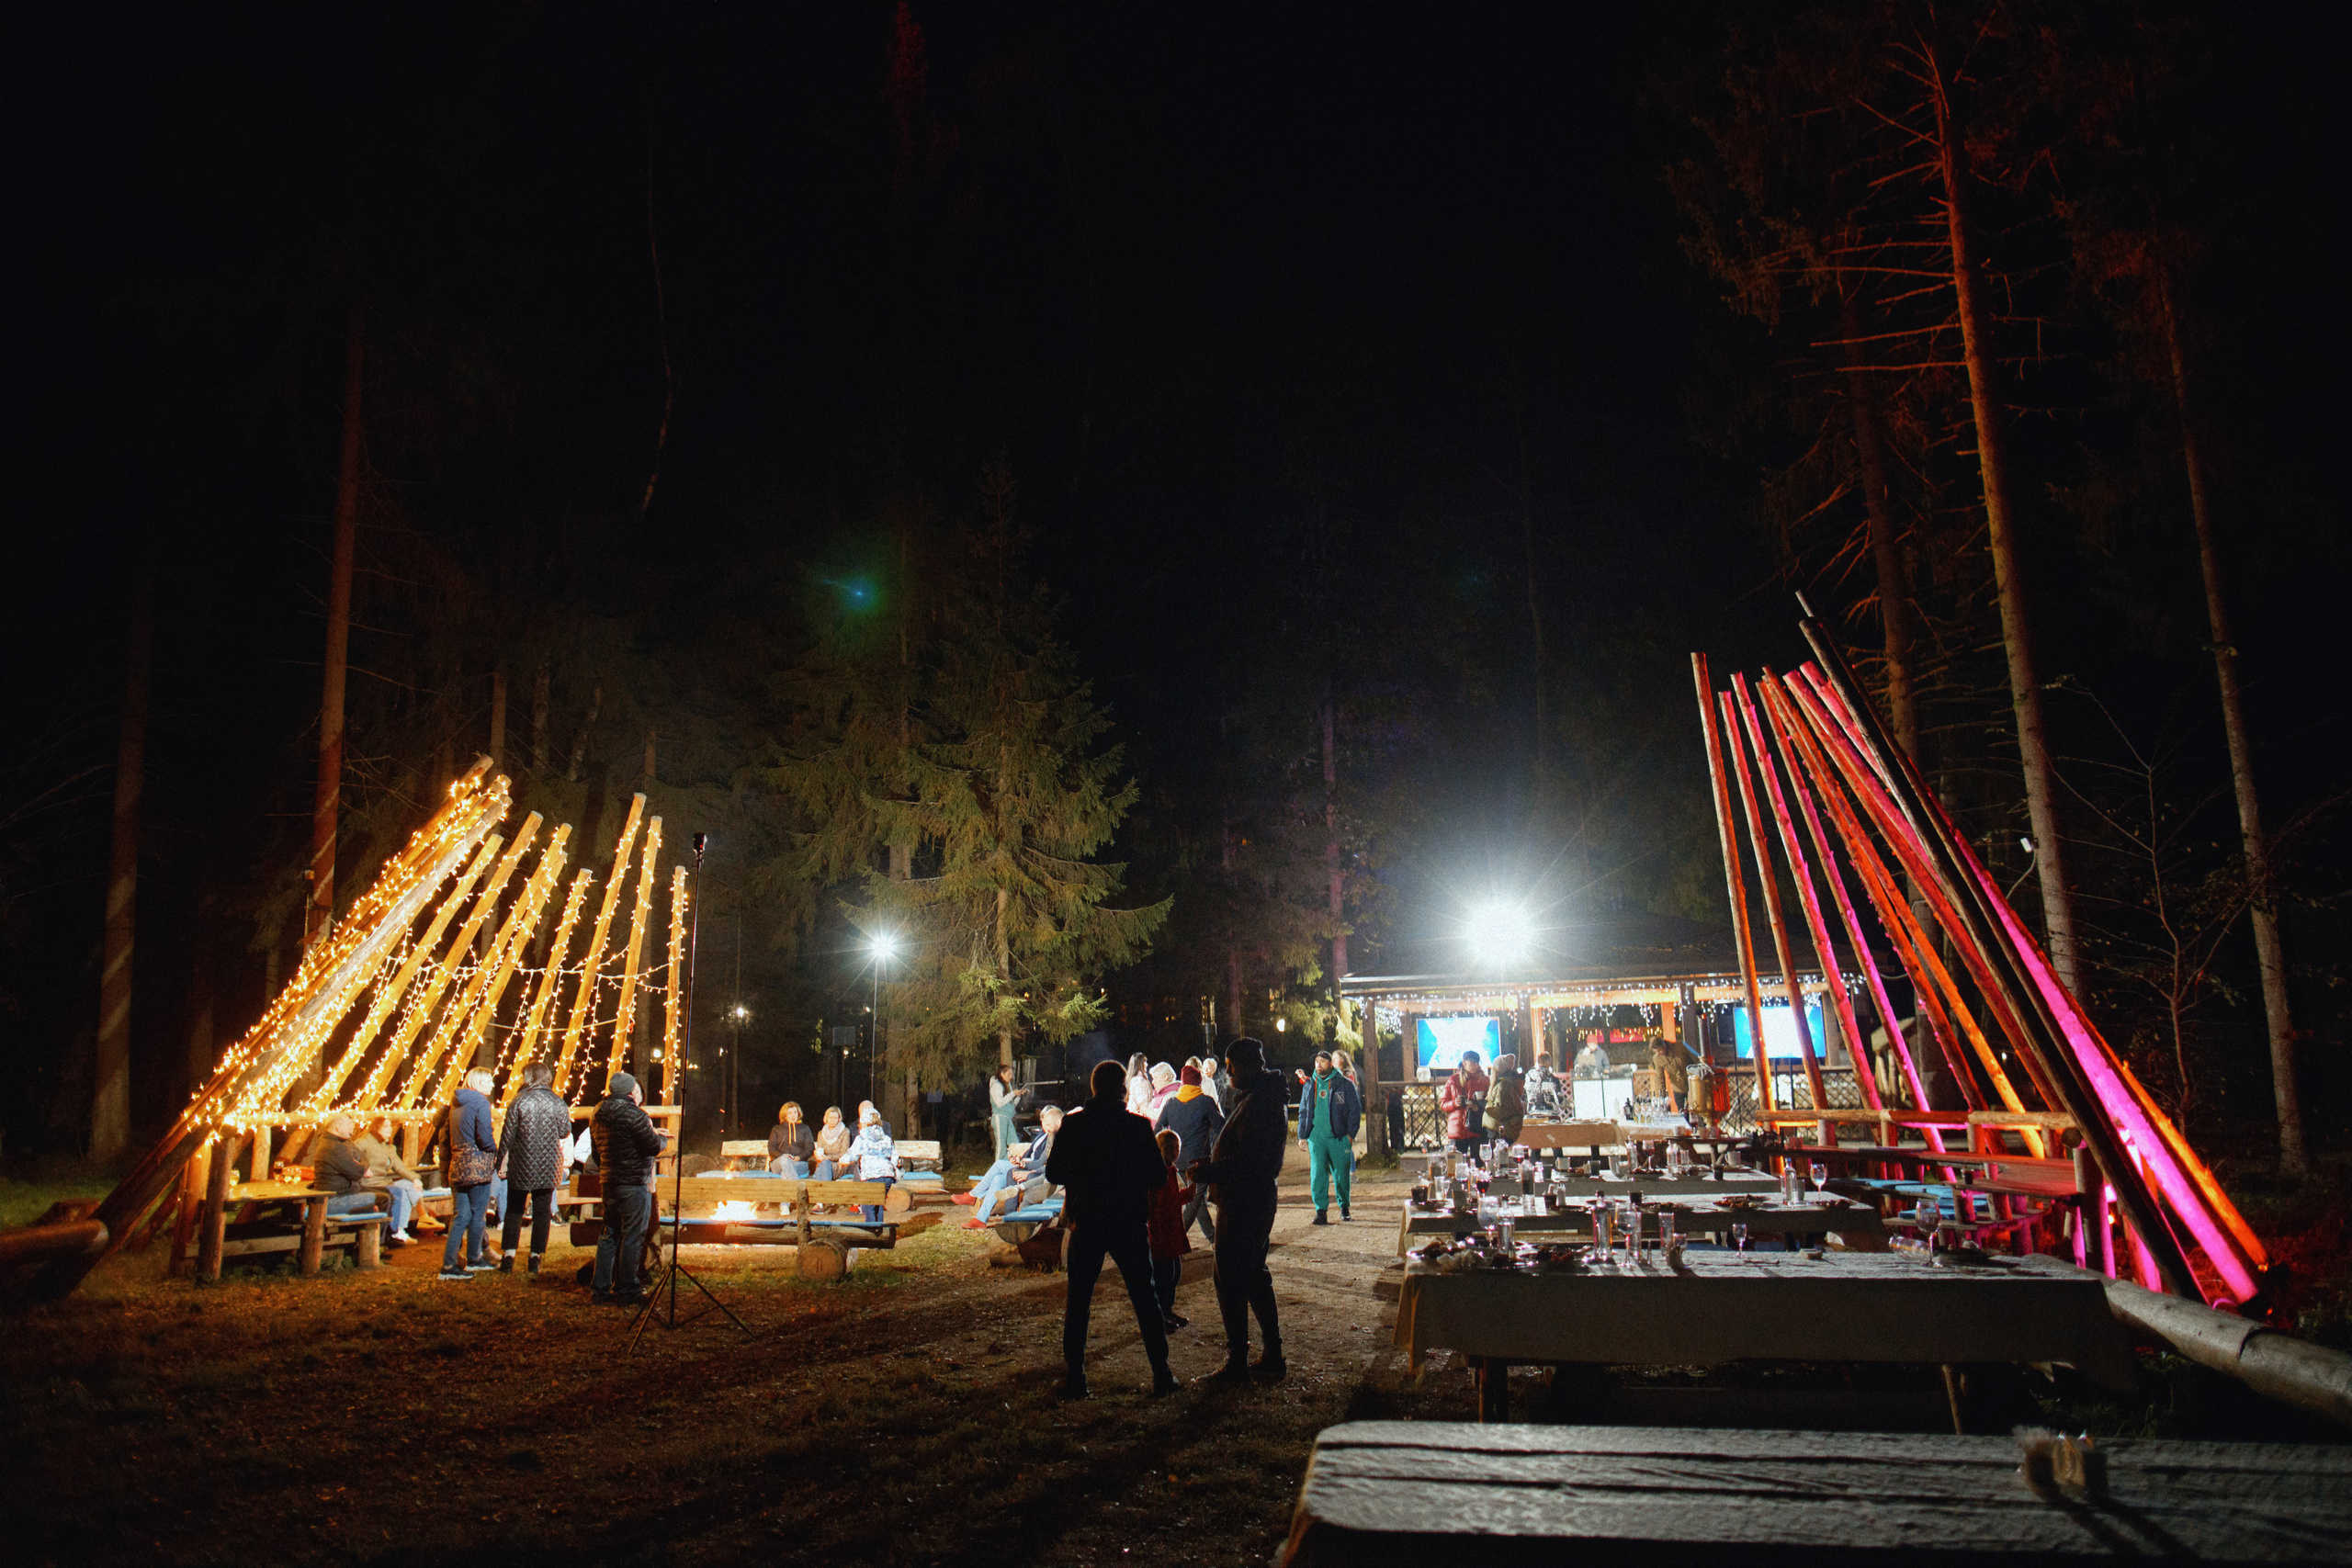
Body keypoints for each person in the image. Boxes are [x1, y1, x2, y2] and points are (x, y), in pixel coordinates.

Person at [1045, 1058, 1177, 1400]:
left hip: (1087, 1218)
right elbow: (1156, 1176)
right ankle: (1161, 1375)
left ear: (1092, 1089)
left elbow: (1054, 1172)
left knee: (1079, 1301)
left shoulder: (1074, 1126)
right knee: (1145, 1298)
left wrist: (1083, 1175)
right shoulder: (1136, 1126)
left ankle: (1076, 1378)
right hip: (1127, 1220)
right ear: (1122, 1089)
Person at [1192, 1036, 1286, 1383]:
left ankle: (1237, 1361)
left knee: (1230, 1277)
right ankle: (1272, 1354)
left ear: (1246, 1065)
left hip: (1246, 1200)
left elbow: (1250, 1161)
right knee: (1253, 1275)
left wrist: (1212, 1171)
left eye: (1231, 1068)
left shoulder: (1261, 1102)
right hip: (1249, 1198)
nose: (1228, 1075)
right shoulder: (1259, 1098)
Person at [591, 1070, 667, 1304]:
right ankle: (628, 1290)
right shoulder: (635, 1114)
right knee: (632, 1237)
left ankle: (600, 1290)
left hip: (609, 1182)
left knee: (609, 1234)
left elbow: (596, 1153)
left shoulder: (598, 1113)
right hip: (633, 1184)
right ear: (630, 1091)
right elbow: (653, 1146)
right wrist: (662, 1138)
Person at [497, 1062, 571, 1276]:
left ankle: (509, 1256)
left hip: (521, 1163)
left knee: (514, 1210)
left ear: (528, 1078)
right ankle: (535, 1257)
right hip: (548, 1164)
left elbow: (507, 1136)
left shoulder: (518, 1101)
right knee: (542, 1212)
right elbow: (565, 1132)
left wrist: (500, 1161)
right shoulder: (558, 1102)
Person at [439, 1069, 502, 1280]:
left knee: (460, 1216)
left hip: (458, 1164)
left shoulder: (455, 1104)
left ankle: (449, 1265)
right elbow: (484, 1134)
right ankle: (474, 1258)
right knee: (477, 1215)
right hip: (477, 1163)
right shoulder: (480, 1103)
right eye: (488, 1082)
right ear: (476, 1083)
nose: (492, 1086)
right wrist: (493, 1148)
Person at [1153, 1066, 1224, 1243]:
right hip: (1199, 1161)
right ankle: (1171, 1239)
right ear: (1198, 1082)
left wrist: (1166, 1149)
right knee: (1194, 1201)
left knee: (1197, 1201)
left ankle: (1212, 1237)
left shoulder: (1172, 1103)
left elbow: (1158, 1128)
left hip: (1178, 1161)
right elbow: (1221, 1129)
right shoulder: (1205, 1102)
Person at [958, 1105, 1061, 1227]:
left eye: (1047, 1123)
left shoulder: (1058, 1138)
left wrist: (1027, 1170)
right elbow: (1035, 1155)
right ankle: (982, 1219)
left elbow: (1047, 1165)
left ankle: (975, 1196)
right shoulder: (1047, 1135)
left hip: (1038, 1172)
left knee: (1000, 1166)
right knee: (997, 1179)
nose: (1045, 1126)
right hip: (1030, 1166)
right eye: (1043, 1121)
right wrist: (1020, 1161)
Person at [1296, 1049, 1363, 1224]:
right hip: (1316, 1138)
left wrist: (1350, 1135)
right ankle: (1321, 1211)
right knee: (1318, 1174)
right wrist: (1302, 1135)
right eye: (1316, 1061)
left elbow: (1355, 1111)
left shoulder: (1345, 1084)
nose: (1318, 1064)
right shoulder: (1310, 1085)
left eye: (1322, 1061)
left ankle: (1344, 1207)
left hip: (1338, 1138)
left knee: (1341, 1175)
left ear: (1330, 1064)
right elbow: (1303, 1111)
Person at [310, 1114, 398, 1239]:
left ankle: (384, 1239)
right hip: (336, 1198)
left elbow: (363, 1159)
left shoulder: (343, 1142)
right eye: (349, 1124)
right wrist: (361, 1167)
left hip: (348, 1192)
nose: (353, 1127)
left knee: (387, 1193)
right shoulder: (332, 1147)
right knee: (383, 1199)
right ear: (338, 1127)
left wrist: (362, 1166)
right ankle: (376, 1243)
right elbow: (356, 1172)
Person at [1145, 1128, 1195, 1331]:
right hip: (1161, 1235)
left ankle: (1167, 1310)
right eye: (1170, 1147)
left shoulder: (1171, 1171)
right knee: (1164, 1276)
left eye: (1177, 1147)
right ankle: (1161, 1314)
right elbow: (1154, 1207)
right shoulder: (1158, 1174)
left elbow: (1172, 1202)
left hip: (1171, 1233)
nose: (1174, 1151)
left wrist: (1186, 1196)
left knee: (1174, 1273)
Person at [347, 1117, 424, 1244]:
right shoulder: (366, 1141)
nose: (390, 1129)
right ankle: (396, 1230)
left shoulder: (389, 1147)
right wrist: (363, 1168)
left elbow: (399, 1167)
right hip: (370, 1183)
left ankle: (411, 1224)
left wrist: (415, 1178)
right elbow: (349, 1153)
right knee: (401, 1192)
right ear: (377, 1128)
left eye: (390, 1126)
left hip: (385, 1182)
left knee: (410, 1186)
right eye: (386, 1126)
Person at [846, 1105, 898, 1222]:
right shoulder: (886, 1138)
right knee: (878, 1204)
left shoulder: (862, 1138)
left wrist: (842, 1161)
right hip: (887, 1176)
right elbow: (894, 1156)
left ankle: (871, 1232)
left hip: (871, 1176)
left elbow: (852, 1155)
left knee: (868, 1206)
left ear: (863, 1123)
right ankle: (880, 1230)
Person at [1437, 1052, 1488, 1156]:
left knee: (1479, 1163)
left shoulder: (1484, 1080)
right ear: (1464, 1063)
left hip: (1476, 1126)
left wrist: (1478, 1106)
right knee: (1457, 1164)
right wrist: (1454, 1104)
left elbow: (1489, 1103)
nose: (1475, 1065)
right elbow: (1443, 1104)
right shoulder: (1453, 1080)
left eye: (1477, 1062)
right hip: (1458, 1129)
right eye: (1472, 1062)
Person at [1487, 1053, 1526, 1146]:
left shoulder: (1502, 1085)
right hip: (1506, 1127)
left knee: (1498, 1157)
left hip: (1501, 1129)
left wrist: (1486, 1106)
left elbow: (1502, 1110)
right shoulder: (1507, 1083)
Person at [768, 1101, 815, 1177]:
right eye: (790, 1113)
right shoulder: (777, 1129)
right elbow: (771, 1148)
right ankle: (795, 1185)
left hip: (799, 1163)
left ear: (798, 1114)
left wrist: (799, 1157)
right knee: (785, 1161)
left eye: (795, 1112)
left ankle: (789, 1186)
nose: (793, 1115)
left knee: (785, 1173)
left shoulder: (805, 1129)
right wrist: (783, 1156)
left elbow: (809, 1148)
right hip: (779, 1162)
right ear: (785, 1116)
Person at [987, 1064, 1020, 1162]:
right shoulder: (996, 1085)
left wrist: (1019, 1095)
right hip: (999, 1118)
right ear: (1002, 1074)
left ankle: (1011, 1167)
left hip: (1007, 1119)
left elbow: (1011, 1106)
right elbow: (999, 1103)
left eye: (1012, 1074)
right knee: (1001, 1147)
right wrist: (1013, 1094)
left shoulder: (1006, 1085)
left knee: (1015, 1145)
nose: (1011, 1076)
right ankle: (998, 1170)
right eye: (1009, 1074)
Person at [811, 1105, 853, 1181]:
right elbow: (820, 1149)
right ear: (826, 1118)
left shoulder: (845, 1131)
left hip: (838, 1165)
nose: (833, 1120)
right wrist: (818, 1154)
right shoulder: (821, 1133)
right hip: (823, 1163)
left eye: (835, 1118)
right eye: (830, 1118)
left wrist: (828, 1158)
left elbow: (843, 1153)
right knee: (823, 1165)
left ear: (839, 1119)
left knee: (824, 1166)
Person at [1124, 1053, 1153, 1117]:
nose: (1147, 1064)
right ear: (1138, 1064)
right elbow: (1143, 1104)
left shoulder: (1138, 1080)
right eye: (1144, 1062)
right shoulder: (1139, 1081)